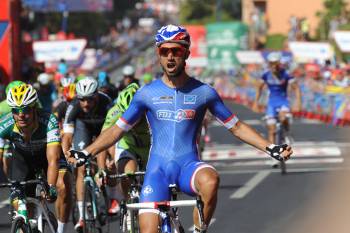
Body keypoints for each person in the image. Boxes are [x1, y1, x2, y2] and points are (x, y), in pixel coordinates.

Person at [68, 25, 293, 233]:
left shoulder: (204, 92)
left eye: (176, 51)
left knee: (211, 179)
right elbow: (117, 130)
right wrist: (87, 152)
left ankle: (198, 229)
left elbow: (237, 127)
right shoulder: (146, 93)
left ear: (186, 53)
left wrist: (270, 147)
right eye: (165, 51)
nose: (170, 56)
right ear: (158, 54)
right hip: (157, 172)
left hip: (188, 166)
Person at [3, 83, 72, 233]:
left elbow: (53, 159)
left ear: (34, 108)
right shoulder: (5, 124)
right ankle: (25, 226)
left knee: (62, 187)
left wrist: (51, 187)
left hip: (47, 158)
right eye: (16, 110)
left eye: (26, 109)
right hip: (23, 161)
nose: (21, 115)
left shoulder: (48, 120)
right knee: (20, 204)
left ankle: (60, 230)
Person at [61, 77, 112, 230]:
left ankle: (101, 174)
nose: (85, 104)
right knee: (81, 169)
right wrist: (67, 153)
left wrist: (111, 157)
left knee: (101, 149)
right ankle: (82, 217)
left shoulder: (107, 103)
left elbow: (114, 134)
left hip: (104, 127)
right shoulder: (74, 106)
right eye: (82, 99)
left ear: (96, 95)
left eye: (89, 99)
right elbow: (68, 135)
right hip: (84, 128)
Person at [101, 82, 151, 214]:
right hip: (128, 145)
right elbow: (103, 140)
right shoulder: (115, 112)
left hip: (151, 147)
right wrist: (102, 169)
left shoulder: (152, 109)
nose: (132, 120)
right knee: (127, 175)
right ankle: (129, 209)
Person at [253, 52, 301, 146]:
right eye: (271, 63)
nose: (273, 66)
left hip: (283, 101)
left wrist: (298, 103)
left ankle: (286, 133)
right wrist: (255, 103)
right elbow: (259, 87)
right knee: (271, 129)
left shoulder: (286, 74)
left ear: (279, 63)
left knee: (283, 118)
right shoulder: (266, 75)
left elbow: (296, 89)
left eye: (275, 63)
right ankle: (273, 153)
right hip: (271, 103)